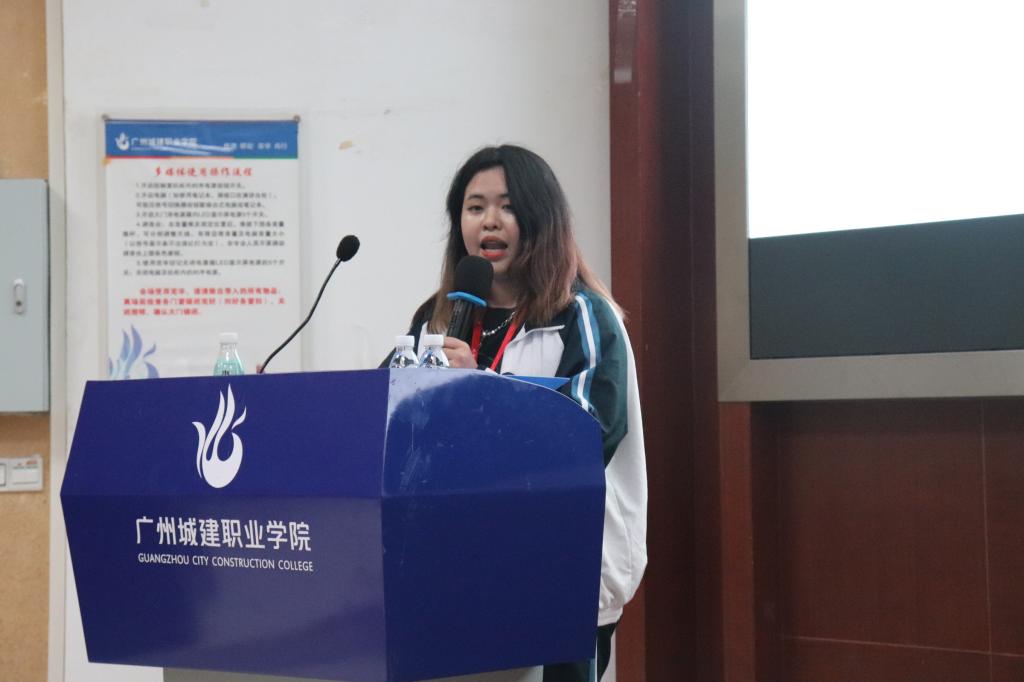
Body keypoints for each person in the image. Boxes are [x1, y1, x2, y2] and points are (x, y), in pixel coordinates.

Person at [396, 144, 647, 681]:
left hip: (562, 568)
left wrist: (479, 391)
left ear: (540, 218)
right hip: (457, 566)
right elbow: (390, 422)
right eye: (475, 207)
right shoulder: (434, 320)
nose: (489, 221)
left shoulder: (582, 316)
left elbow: (586, 432)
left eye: (507, 206)